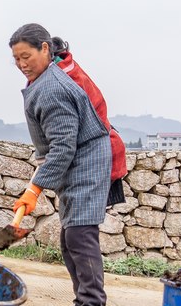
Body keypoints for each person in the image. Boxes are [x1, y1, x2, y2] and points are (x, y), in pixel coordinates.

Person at [9, 23, 112, 306]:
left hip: (87, 165)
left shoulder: (52, 89)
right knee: (70, 240)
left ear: (45, 49)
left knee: (81, 238)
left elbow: (63, 147)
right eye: (16, 59)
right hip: (76, 166)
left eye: (27, 55)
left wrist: (34, 189)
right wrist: (36, 184)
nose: (22, 63)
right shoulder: (44, 81)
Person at [50, 36, 128, 206]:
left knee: (84, 220)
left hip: (99, 156)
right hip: (102, 151)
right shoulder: (66, 71)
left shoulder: (65, 79)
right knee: (79, 221)